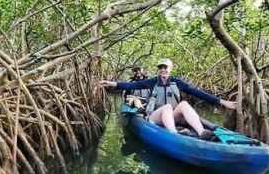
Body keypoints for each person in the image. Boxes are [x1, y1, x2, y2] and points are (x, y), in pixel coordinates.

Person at [99, 58, 236, 139]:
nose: (163, 70)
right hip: (154, 117)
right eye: (161, 68)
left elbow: (198, 93)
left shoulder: (177, 82)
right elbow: (131, 85)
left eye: (166, 67)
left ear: (170, 69)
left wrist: (224, 102)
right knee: (167, 107)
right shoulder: (152, 81)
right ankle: (174, 135)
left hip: (172, 117)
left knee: (183, 104)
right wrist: (112, 83)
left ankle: (201, 132)